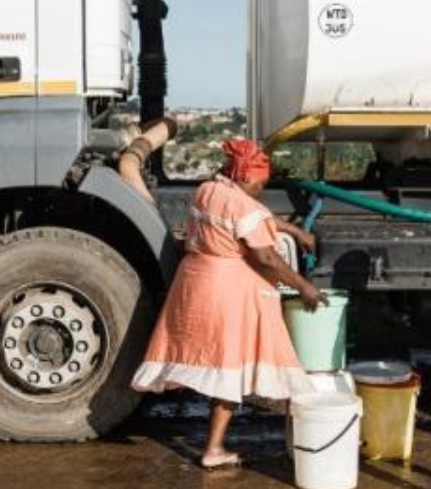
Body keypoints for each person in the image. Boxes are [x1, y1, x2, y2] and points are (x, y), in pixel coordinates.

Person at [131, 138, 326, 469]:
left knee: (205, 357)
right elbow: (265, 255)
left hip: (194, 280)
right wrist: (304, 286)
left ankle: (213, 441)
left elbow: (252, 214)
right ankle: (214, 449)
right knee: (228, 370)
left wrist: (294, 230)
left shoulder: (208, 190)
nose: (261, 191)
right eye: (261, 185)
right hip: (225, 292)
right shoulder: (245, 206)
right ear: (247, 178)